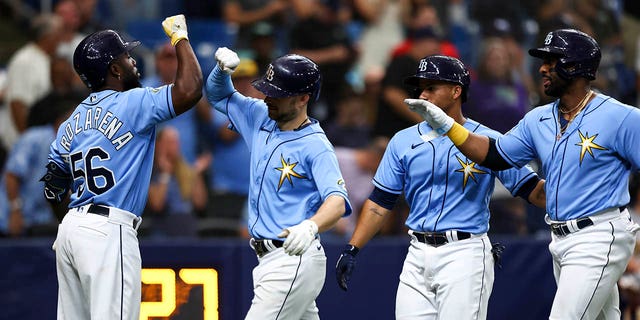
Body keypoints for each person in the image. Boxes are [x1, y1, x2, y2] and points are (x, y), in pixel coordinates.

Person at [405, 28, 640, 319]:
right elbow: (494, 154)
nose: (542, 68)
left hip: (601, 233)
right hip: (562, 237)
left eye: (551, 61)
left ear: (576, 66)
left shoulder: (621, 117)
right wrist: (448, 126)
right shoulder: (538, 118)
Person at [335, 55, 546, 319]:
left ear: (456, 91)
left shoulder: (487, 140)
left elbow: (533, 190)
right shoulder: (402, 140)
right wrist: (352, 248)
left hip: (464, 252)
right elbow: (380, 202)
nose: (423, 94)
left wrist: (578, 199)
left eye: (432, 87)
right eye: (420, 87)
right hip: (417, 253)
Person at [41, 15, 202, 319]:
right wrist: (180, 37)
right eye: (126, 56)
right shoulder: (133, 102)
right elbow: (190, 90)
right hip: (108, 228)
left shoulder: (69, 122)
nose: (133, 61)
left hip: (71, 231)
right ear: (114, 69)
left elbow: (52, 188)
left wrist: (75, 221)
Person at [206, 47, 352, 319]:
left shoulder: (316, 145)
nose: (269, 96)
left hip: (292, 259)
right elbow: (218, 95)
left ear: (303, 98)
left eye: (279, 93)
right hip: (268, 259)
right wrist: (221, 71)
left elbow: (337, 201)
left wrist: (311, 226)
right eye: (268, 89)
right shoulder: (260, 115)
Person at [0, 95, 74, 237]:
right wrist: (15, 211)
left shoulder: (70, 148)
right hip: (10, 216)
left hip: (39, 220)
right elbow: (12, 175)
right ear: (61, 121)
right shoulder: (34, 137)